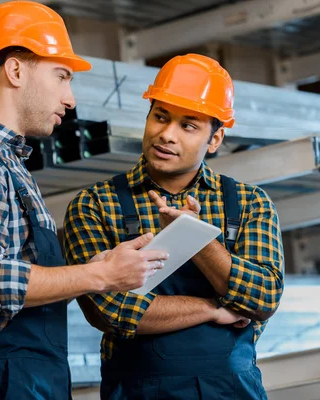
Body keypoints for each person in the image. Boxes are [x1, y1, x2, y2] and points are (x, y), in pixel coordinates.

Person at [0, 2, 168, 399]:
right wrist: (98, 276)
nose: (70, 99)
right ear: (15, 70)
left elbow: (23, 275)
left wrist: (96, 266)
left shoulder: (9, 165)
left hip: (28, 381)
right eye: (62, 76)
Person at [63, 53, 285, 399]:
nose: (166, 135)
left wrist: (196, 239)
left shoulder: (248, 203)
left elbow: (263, 297)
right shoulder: (95, 205)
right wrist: (214, 309)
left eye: (188, 125)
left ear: (215, 139)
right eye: (160, 117)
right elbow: (111, 310)